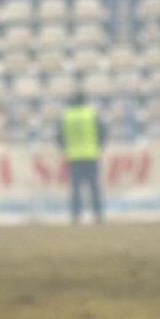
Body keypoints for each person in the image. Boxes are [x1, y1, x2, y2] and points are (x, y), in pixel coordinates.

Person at [58, 92, 105, 224]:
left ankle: (75, 216)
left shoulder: (67, 116)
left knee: (76, 188)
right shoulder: (91, 114)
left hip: (73, 156)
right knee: (94, 187)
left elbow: (59, 136)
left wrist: (65, 149)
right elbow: (102, 132)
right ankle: (98, 215)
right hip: (91, 154)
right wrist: (98, 147)